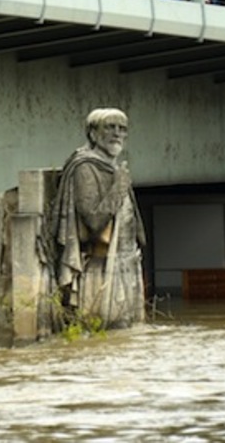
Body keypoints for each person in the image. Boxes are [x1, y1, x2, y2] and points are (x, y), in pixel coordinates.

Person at [51, 108, 146, 330]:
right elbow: (93, 221)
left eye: (121, 129)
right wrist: (119, 186)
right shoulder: (85, 167)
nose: (116, 133)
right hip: (101, 265)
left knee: (128, 331)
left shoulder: (115, 167)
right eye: (109, 127)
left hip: (126, 259)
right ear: (93, 134)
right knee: (106, 327)